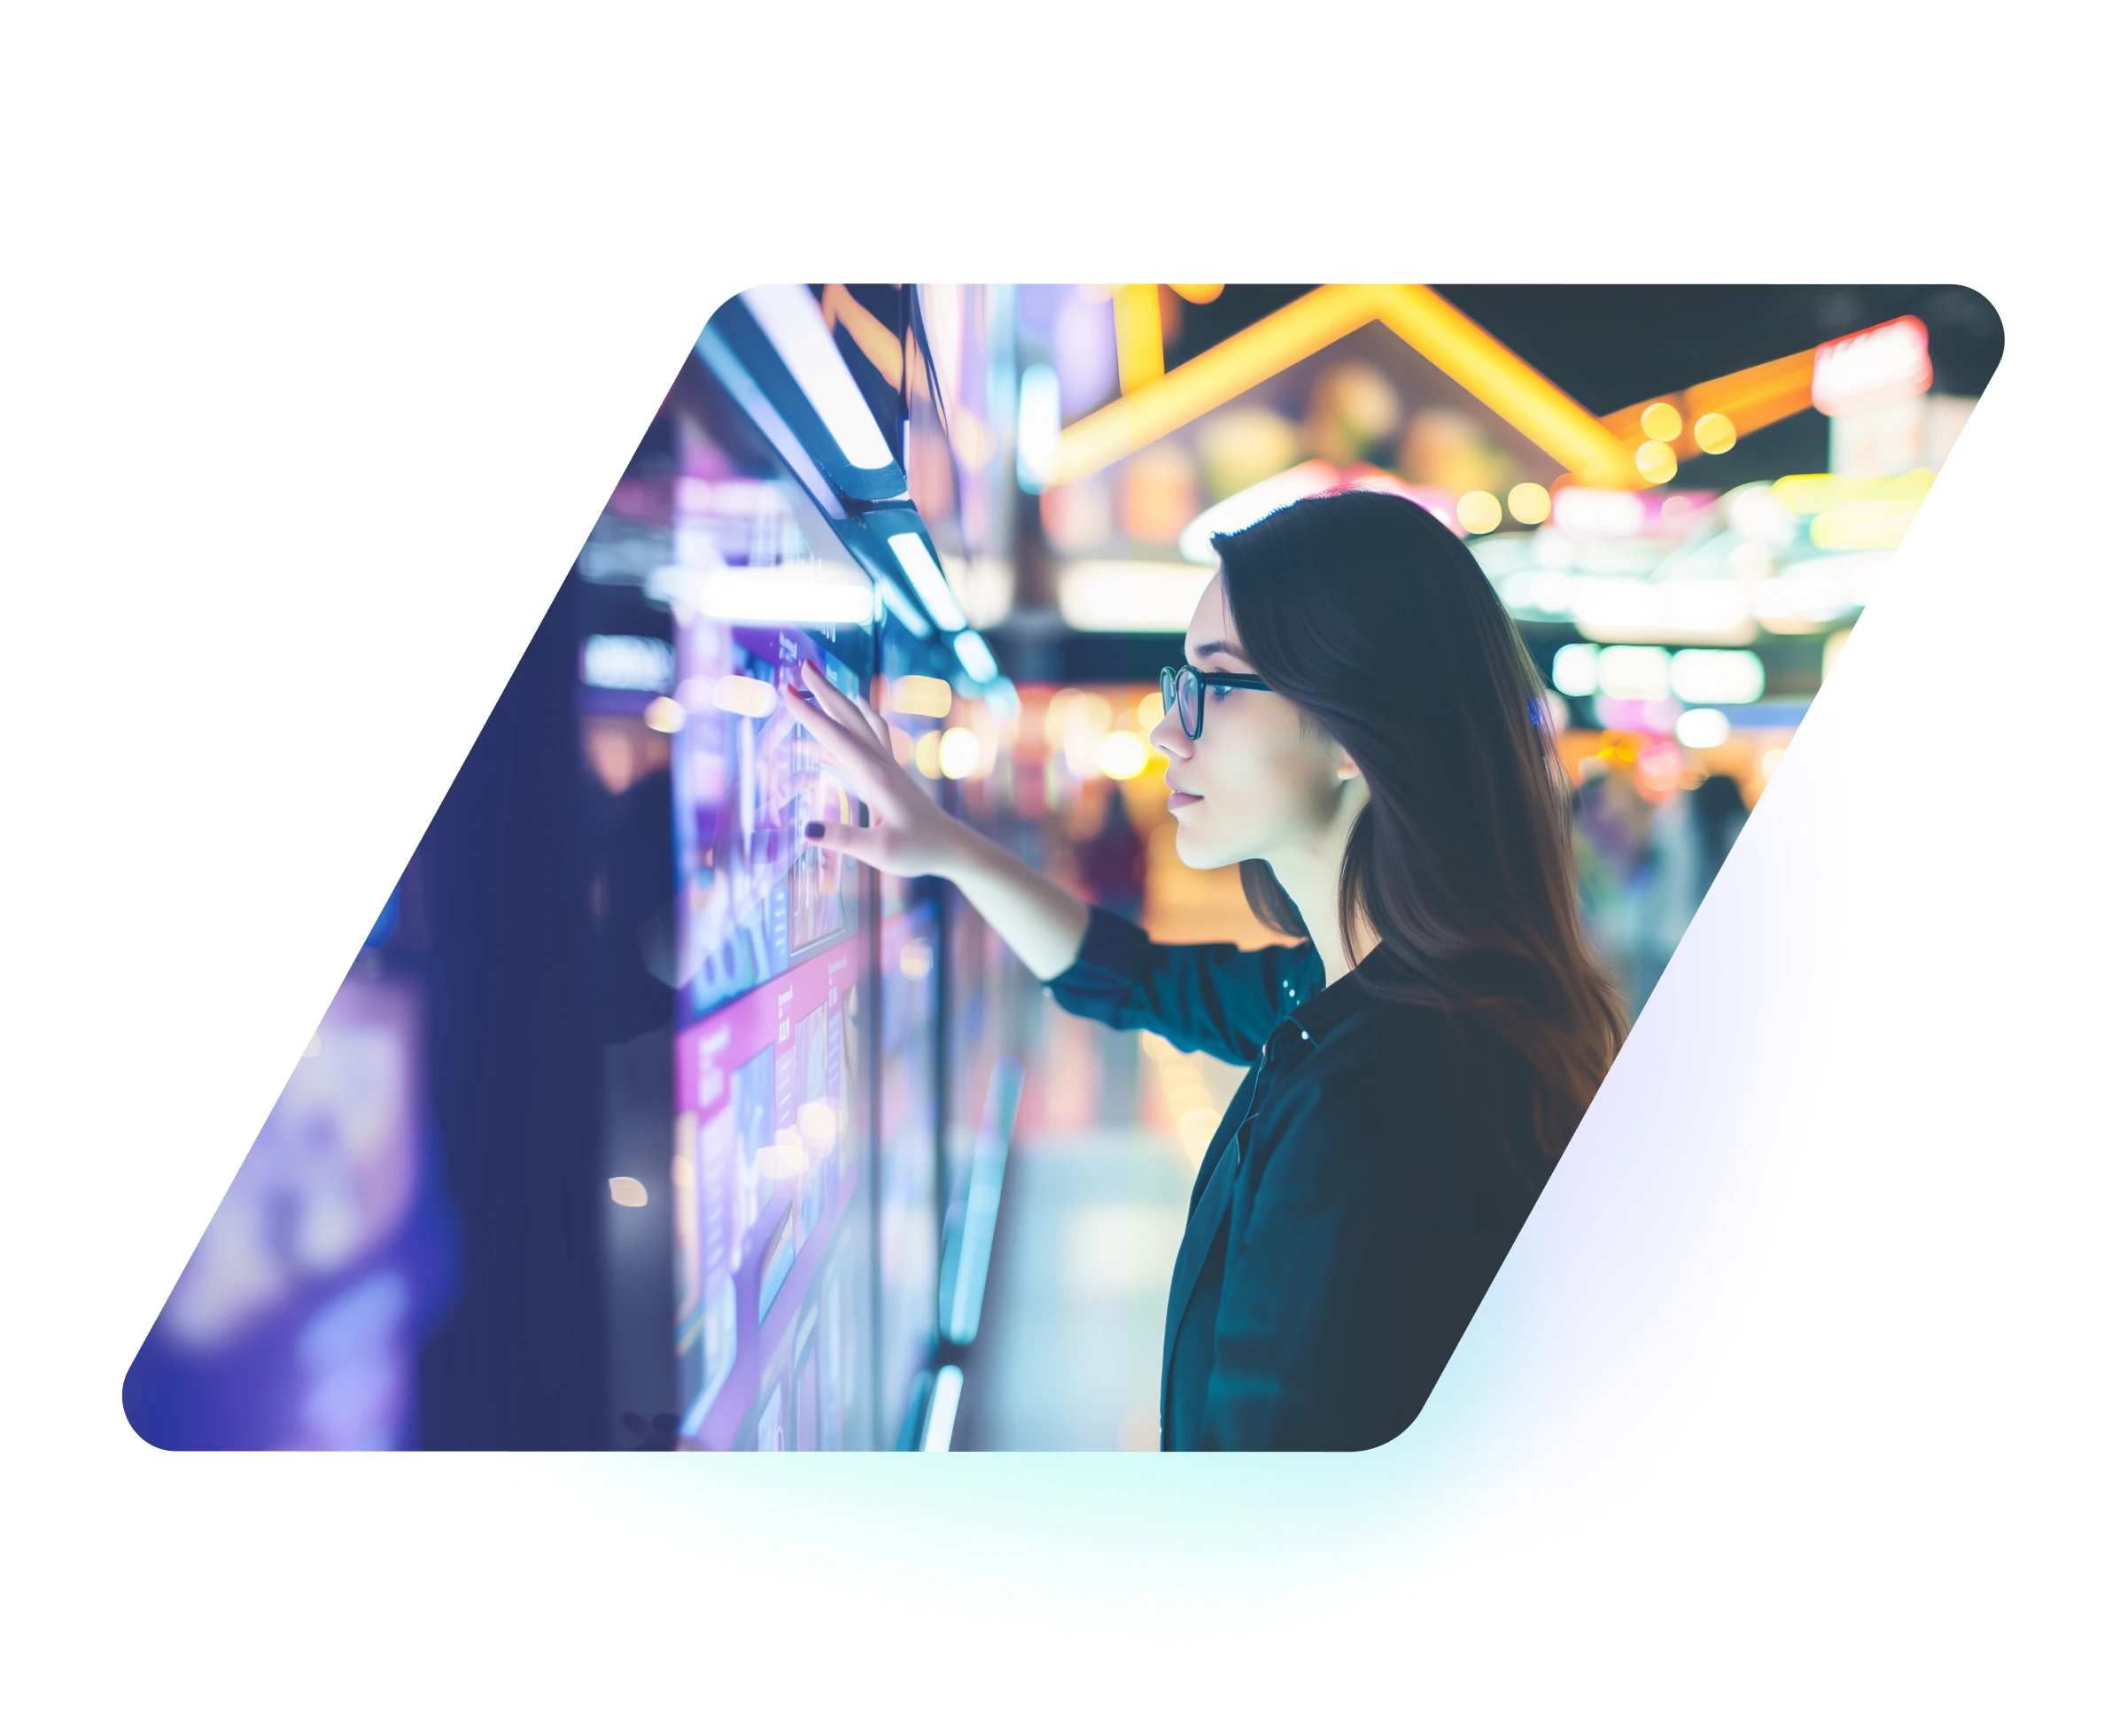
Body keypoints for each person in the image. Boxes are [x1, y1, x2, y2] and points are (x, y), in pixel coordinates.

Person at [785, 489, 1627, 1450]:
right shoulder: (1365, 995)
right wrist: (948, 848)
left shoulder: (1381, 1101)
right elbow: (1135, 976)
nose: (1166, 730)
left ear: (1354, 730)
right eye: (1179, 681)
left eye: (1217, 684)